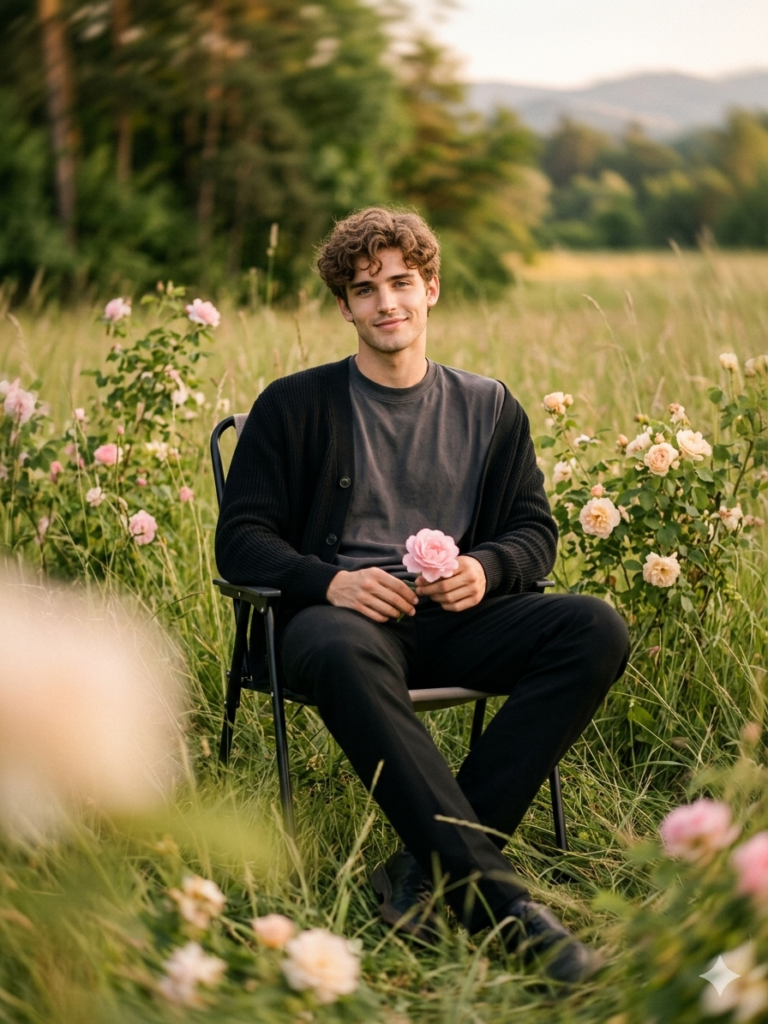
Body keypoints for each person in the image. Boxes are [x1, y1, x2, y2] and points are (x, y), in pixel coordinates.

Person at [215, 206, 629, 984]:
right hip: (339, 630)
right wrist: (331, 581)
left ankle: (420, 873)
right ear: (344, 306)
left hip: (457, 620)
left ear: (431, 287)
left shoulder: (490, 406)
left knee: (594, 627)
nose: (386, 303)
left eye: (401, 282)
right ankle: (504, 907)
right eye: (364, 289)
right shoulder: (293, 405)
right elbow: (241, 540)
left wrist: (489, 568)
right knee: (337, 642)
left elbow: (534, 531)